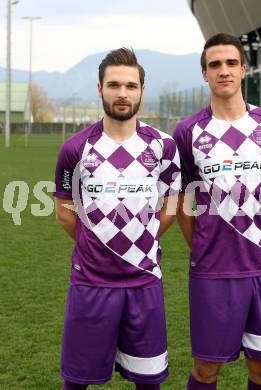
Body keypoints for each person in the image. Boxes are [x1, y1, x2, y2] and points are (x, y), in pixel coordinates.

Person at [54, 48, 181, 390]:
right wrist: (94, 242)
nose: (122, 93)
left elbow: (172, 203)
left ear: (141, 90)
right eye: (113, 85)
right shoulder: (75, 149)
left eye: (130, 85)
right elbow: (64, 210)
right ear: (100, 89)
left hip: (144, 281)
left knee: (149, 381)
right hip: (91, 283)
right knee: (77, 381)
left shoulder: (163, 147)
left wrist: (146, 239)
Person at [173, 33, 261, 390]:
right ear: (204, 74)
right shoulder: (188, 132)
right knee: (206, 371)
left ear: (243, 69)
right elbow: (181, 203)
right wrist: (203, 247)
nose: (223, 71)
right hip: (212, 271)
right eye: (214, 65)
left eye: (230, 63)